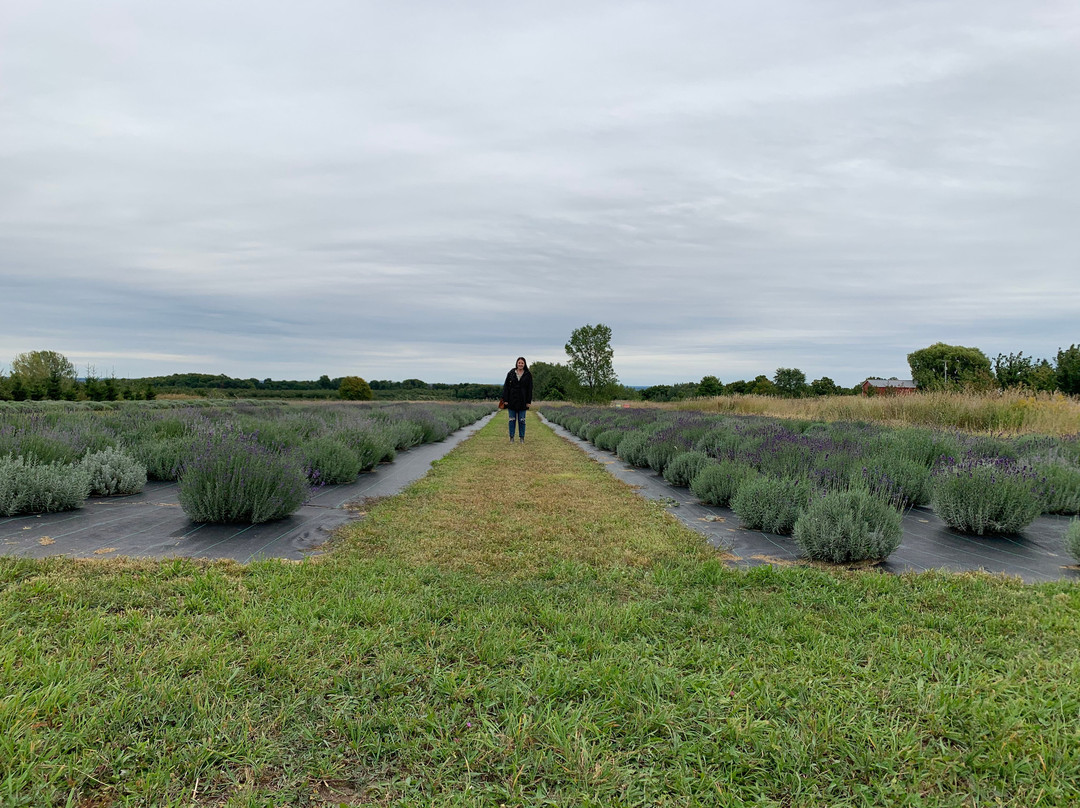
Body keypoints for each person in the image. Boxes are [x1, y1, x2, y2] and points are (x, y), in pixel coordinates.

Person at [502, 356, 533, 443]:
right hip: (512, 400)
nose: (520, 364)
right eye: (519, 363)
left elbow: (530, 389)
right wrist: (505, 399)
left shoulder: (528, 374)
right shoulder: (511, 373)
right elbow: (506, 387)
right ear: (516, 363)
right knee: (512, 420)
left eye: (522, 363)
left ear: (524, 364)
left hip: (523, 401)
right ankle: (511, 437)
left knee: (522, 420)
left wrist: (528, 401)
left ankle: (522, 438)